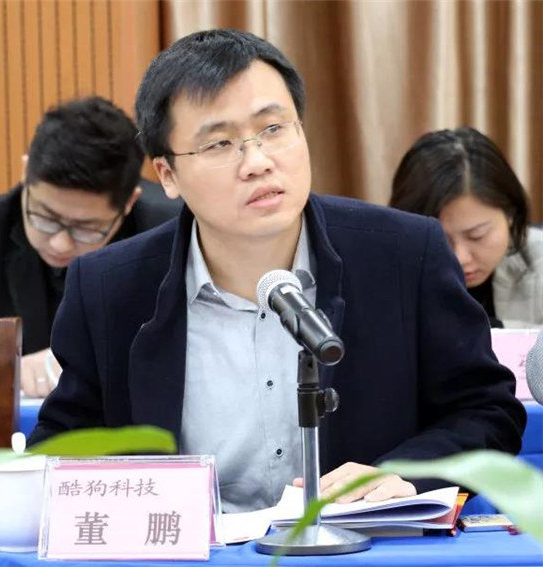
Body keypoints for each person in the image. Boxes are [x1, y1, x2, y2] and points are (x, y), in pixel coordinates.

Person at [29, 30, 525, 513]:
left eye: (273, 129)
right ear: (168, 174)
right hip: (198, 550)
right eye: (219, 144)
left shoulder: (404, 254)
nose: (257, 161)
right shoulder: (109, 288)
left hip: (362, 547)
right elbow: (61, 451)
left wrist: (402, 474)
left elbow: (486, 410)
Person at [0, 96, 181, 397]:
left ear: (129, 203)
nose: (60, 243)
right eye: (46, 218)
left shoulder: (170, 231)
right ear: (25, 174)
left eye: (87, 228)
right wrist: (4, 365)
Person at [389, 127, 543, 329]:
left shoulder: (538, 258)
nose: (460, 258)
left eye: (477, 235)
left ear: (510, 214)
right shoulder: (385, 270)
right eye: (439, 240)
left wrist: (494, 328)